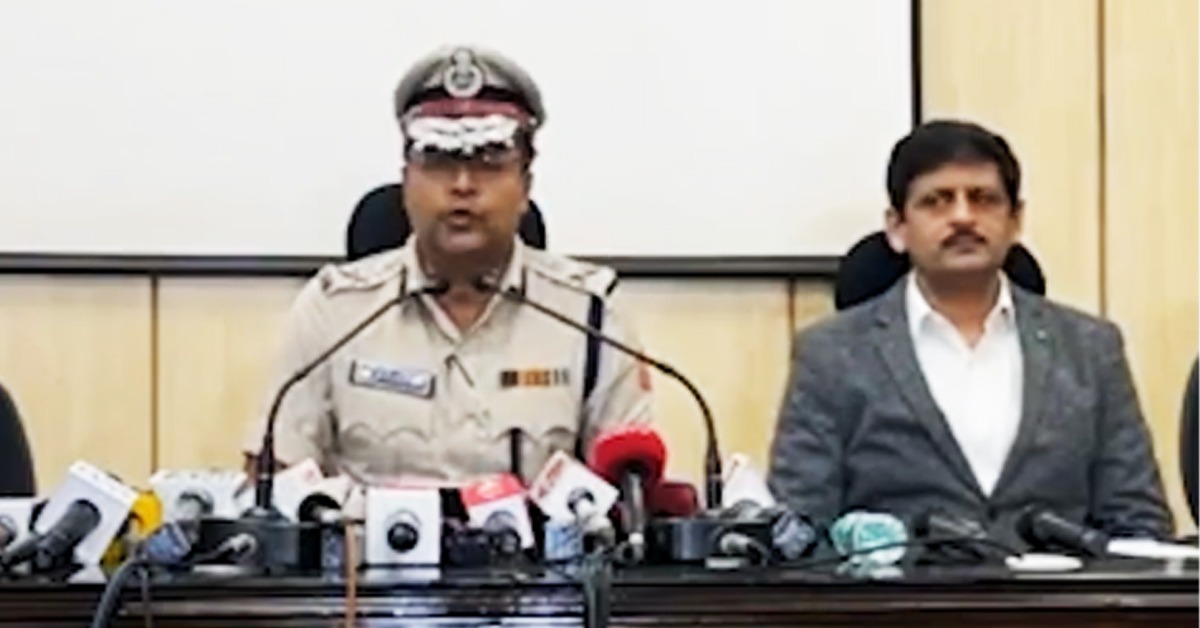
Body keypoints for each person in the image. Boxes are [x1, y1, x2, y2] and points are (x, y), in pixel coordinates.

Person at [242, 45, 652, 483]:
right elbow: (272, 483)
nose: (462, 185)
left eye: (489, 163)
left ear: (525, 186)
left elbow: (629, 496)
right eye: (438, 162)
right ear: (406, 181)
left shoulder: (592, 315)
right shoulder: (335, 309)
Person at [767, 120, 1172, 546]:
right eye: (936, 201)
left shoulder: (1090, 348)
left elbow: (1138, 523)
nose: (963, 217)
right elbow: (800, 532)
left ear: (1015, 221)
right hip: (897, 588)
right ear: (898, 228)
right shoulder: (831, 354)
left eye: (983, 199)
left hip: (1059, 588)